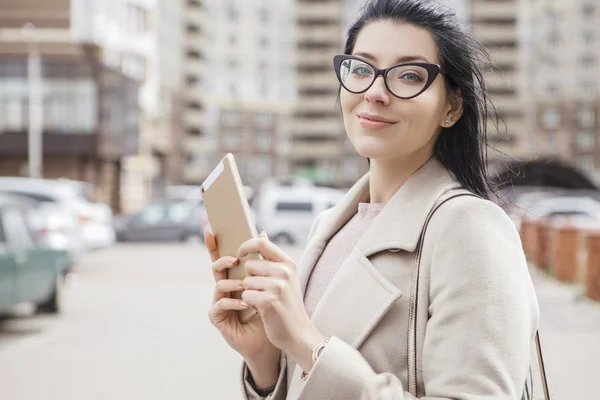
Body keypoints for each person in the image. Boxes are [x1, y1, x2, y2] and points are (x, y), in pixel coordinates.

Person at [206, 0, 540, 398]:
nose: (376, 92)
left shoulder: (470, 229)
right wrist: (263, 356)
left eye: (409, 75)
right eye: (361, 69)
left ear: (451, 107)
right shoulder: (331, 225)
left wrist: (304, 341)